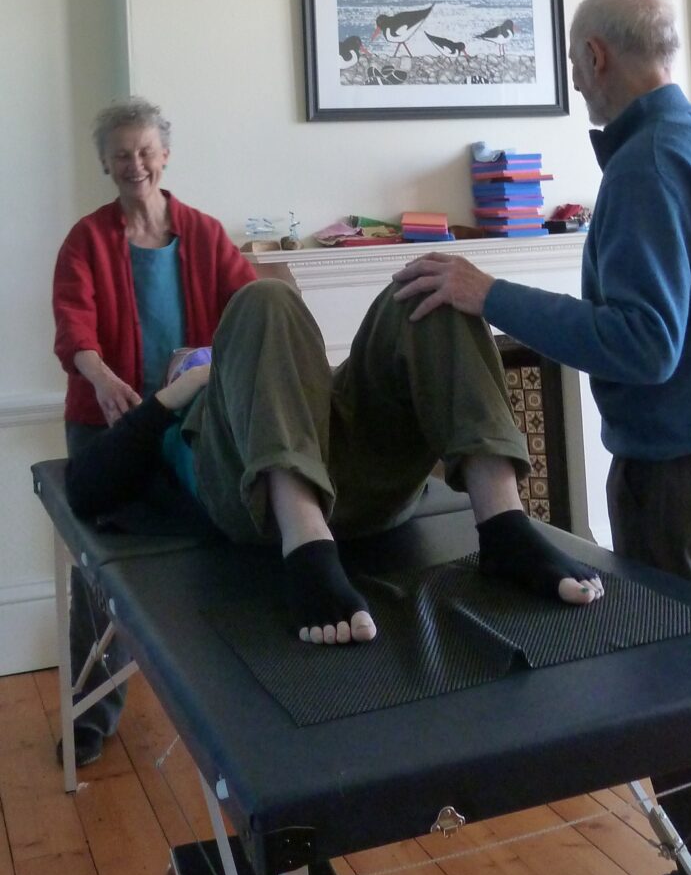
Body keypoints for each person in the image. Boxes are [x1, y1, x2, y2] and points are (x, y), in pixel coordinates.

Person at [392, 0, 691, 875]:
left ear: (595, 59)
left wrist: (487, 293)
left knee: (678, 700)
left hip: (690, 477)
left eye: (574, 65)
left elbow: (641, 343)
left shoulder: (648, 167)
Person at [64, 277, 605, 650]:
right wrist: (181, 391)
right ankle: (306, 544)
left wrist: (298, 375)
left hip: (358, 475)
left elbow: (302, 370)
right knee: (264, 298)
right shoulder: (179, 417)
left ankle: (505, 525)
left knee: (423, 290)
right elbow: (85, 486)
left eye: (207, 353)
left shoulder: (291, 366)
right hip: (259, 500)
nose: (199, 355)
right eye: (188, 359)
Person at [52, 97, 256, 767]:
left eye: (144, 151)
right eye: (120, 154)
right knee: (97, 575)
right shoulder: (86, 239)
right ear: (105, 164)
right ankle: (93, 716)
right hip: (106, 426)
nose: (133, 164)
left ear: (164, 155)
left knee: (218, 536)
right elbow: (74, 327)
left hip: (188, 420)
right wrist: (102, 375)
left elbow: (247, 304)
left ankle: (224, 698)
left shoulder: (202, 232)